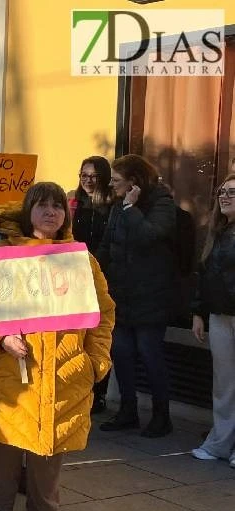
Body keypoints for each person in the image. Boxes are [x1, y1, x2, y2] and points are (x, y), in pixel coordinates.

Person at [0, 182, 114, 511]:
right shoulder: (1, 255)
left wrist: (95, 360)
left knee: (49, 451)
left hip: (65, 371)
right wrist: (1, 339)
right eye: (41, 205)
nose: (50, 211)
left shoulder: (82, 260)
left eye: (57, 206)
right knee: (3, 446)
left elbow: (103, 314)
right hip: (9, 372)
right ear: (27, 210)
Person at [97, 154, 177, 437]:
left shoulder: (162, 204)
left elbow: (149, 237)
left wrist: (132, 208)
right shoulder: (118, 208)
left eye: (117, 181)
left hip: (150, 297)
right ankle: (128, 410)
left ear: (134, 182)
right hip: (122, 295)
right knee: (121, 352)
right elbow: (107, 246)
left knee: (149, 353)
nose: (112, 185)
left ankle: (161, 415)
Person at [191, 174, 235, 464]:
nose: (225, 196)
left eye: (232, 191)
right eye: (222, 191)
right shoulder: (217, 232)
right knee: (224, 384)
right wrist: (198, 312)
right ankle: (220, 443)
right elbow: (204, 275)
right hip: (220, 316)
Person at [71, 156, 115, 414]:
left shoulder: (111, 206)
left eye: (93, 176)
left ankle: (99, 392)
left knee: (98, 337)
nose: (87, 180)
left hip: (100, 278)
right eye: (83, 175)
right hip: (73, 279)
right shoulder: (72, 202)